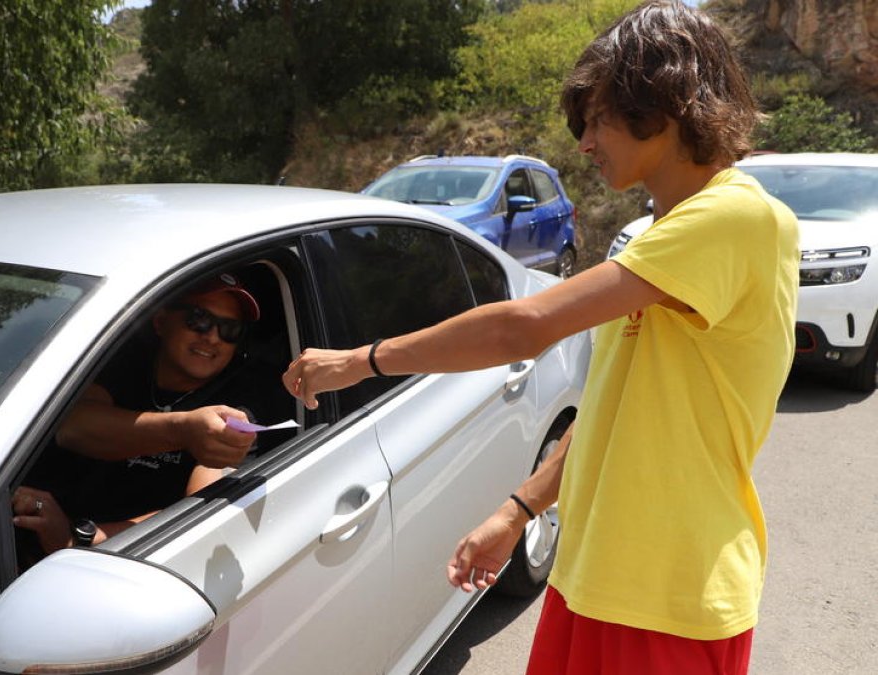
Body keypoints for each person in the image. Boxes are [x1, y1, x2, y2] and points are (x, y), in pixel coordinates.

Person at [281, 2, 799, 673]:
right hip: (599, 579)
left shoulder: (737, 216)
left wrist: (363, 359)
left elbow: (526, 324)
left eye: (599, 118)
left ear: (664, 103)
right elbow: (614, 414)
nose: (584, 142)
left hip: (670, 592)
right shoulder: (662, 238)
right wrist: (519, 509)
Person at [14, 272, 292, 556]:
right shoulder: (125, 363)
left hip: (135, 557)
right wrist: (183, 430)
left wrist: (84, 539)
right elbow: (75, 427)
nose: (212, 337)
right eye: (199, 319)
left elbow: (201, 508)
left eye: (229, 329)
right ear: (161, 322)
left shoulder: (239, 405)